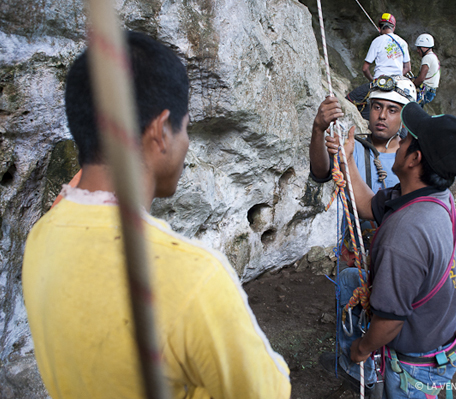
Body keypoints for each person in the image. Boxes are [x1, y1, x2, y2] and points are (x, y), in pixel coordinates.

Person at [22, 31, 291, 399]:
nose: (187, 142)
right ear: (161, 130)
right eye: (185, 127)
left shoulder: (42, 237)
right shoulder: (192, 278)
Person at [319, 101, 456, 398]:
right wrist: (348, 160)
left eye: (404, 139)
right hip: (438, 324)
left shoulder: (406, 233)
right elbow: (366, 205)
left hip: (418, 361)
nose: (398, 140)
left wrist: (359, 350)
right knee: (349, 280)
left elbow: (390, 321)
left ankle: (362, 371)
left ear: (414, 158)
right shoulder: (432, 194)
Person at [311, 75, 416, 267]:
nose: (382, 115)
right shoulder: (353, 147)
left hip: (396, 256)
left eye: (392, 110)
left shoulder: (412, 159)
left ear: (404, 117)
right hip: (353, 253)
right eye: (377, 107)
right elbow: (321, 173)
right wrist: (318, 130)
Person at [347, 13, 411, 120]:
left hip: (379, 82)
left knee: (350, 99)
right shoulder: (403, 43)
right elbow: (407, 68)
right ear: (393, 27)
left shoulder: (377, 41)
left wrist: (372, 80)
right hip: (397, 84)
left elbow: (365, 68)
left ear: (379, 27)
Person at [412, 33, 440, 108]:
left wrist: (412, 85)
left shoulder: (427, 58)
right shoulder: (433, 56)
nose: (418, 51)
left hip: (425, 91)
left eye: (419, 48)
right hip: (430, 92)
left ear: (425, 47)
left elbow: (421, 78)